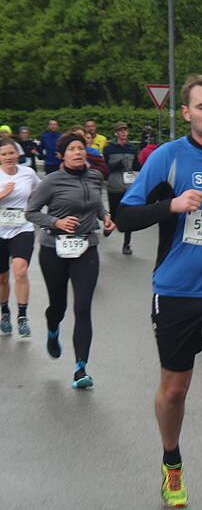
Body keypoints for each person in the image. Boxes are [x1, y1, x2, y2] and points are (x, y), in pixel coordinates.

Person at [114, 75, 202, 510]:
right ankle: (171, 461)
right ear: (187, 112)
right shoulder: (167, 157)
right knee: (175, 389)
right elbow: (124, 216)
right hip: (175, 289)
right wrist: (171, 206)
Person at [25, 133, 115, 388]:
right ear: (62, 155)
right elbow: (31, 212)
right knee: (59, 306)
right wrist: (57, 222)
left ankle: (80, 369)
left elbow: (97, 204)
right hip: (54, 249)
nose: (78, 152)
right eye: (72, 149)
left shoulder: (94, 176)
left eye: (81, 148)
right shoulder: (51, 181)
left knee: (83, 308)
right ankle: (53, 329)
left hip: (86, 248)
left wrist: (106, 217)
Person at [0, 138, 40, 338]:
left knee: (20, 270)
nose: (8, 157)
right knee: (2, 277)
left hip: (22, 228)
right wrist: (3, 193)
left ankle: (22, 316)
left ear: (18, 154)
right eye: (3, 154)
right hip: (0, 232)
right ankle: (5, 312)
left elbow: (41, 191)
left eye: (11, 153)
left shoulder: (28, 173)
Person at [102, 122, 140, 254]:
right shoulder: (109, 148)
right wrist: (113, 166)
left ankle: (126, 244)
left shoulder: (132, 148)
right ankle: (109, 226)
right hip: (114, 185)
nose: (123, 132)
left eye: (125, 130)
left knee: (129, 215)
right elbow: (104, 167)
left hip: (129, 187)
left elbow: (136, 166)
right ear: (116, 133)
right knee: (114, 214)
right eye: (120, 130)